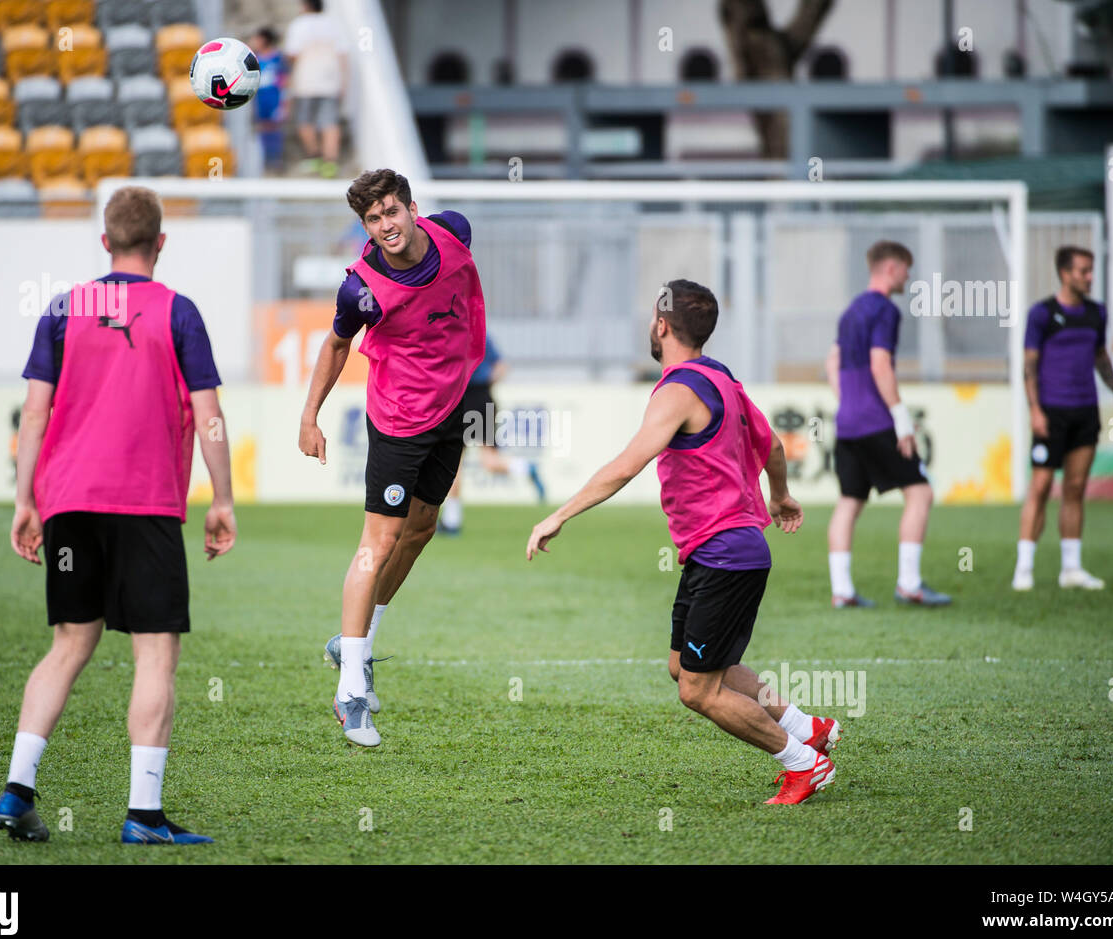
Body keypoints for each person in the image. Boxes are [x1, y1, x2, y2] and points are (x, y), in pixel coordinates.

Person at [526, 280, 839, 805]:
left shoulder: (677, 390)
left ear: (662, 325)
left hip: (724, 555)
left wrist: (558, 516)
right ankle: (807, 726)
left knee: (698, 689)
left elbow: (627, 465)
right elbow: (775, 445)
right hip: (720, 550)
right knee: (683, 666)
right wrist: (780, 497)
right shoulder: (724, 380)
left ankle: (804, 763)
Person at [0, 187, 236, 845]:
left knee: (70, 643)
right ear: (160, 243)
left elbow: (34, 413)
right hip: (146, 505)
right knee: (154, 653)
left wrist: (25, 499)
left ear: (105, 242)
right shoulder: (178, 312)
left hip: (68, 501)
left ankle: (18, 789)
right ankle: (144, 815)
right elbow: (209, 413)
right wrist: (222, 496)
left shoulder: (63, 308)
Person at [299, 169, 485, 747]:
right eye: (373, 220)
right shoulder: (361, 290)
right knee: (377, 543)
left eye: (391, 213)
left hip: (452, 407)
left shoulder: (455, 232)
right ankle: (350, 692)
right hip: (399, 422)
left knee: (422, 528)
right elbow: (336, 346)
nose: (385, 227)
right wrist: (310, 417)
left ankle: (358, 644)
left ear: (412, 208)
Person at [824, 240, 950, 608]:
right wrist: (901, 419)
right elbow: (881, 364)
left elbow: (832, 362)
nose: (909, 277)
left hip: (848, 422)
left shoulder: (850, 312)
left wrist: (847, 401)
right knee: (920, 492)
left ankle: (842, 591)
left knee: (849, 501)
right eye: (906, 269)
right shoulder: (886, 310)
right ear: (892, 268)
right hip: (876, 421)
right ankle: (909, 583)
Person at [1012, 246, 1113, 592]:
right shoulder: (1042, 314)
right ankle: (1024, 567)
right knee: (1041, 486)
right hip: (1052, 413)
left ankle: (1071, 568)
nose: (1089, 277)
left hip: (1085, 411)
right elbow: (1029, 365)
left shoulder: (1097, 313)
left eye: (1091, 270)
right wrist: (1034, 409)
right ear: (1065, 274)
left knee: (1076, 488)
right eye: (1083, 271)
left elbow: (1100, 356)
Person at [439, 333, 545, 535]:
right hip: (483, 398)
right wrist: (485, 383)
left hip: (462, 399)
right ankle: (525, 467)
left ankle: (452, 521)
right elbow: (502, 367)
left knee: (453, 463)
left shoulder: (450, 333)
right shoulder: (482, 336)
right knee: (488, 460)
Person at [283, 0, 348, 178]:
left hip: (306, 81)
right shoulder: (334, 24)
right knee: (330, 123)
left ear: (305, 6)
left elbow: (291, 54)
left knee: (305, 121)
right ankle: (330, 163)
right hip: (330, 81)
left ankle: (314, 157)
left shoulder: (299, 25)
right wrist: (344, 82)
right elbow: (343, 55)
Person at [250, 27, 287, 175]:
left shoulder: (277, 58)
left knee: (274, 128)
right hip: (259, 98)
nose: (254, 42)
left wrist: (286, 101)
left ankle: (275, 160)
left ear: (264, 40)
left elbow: (284, 80)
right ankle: (263, 161)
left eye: (256, 38)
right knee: (261, 127)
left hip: (274, 97)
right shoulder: (254, 59)